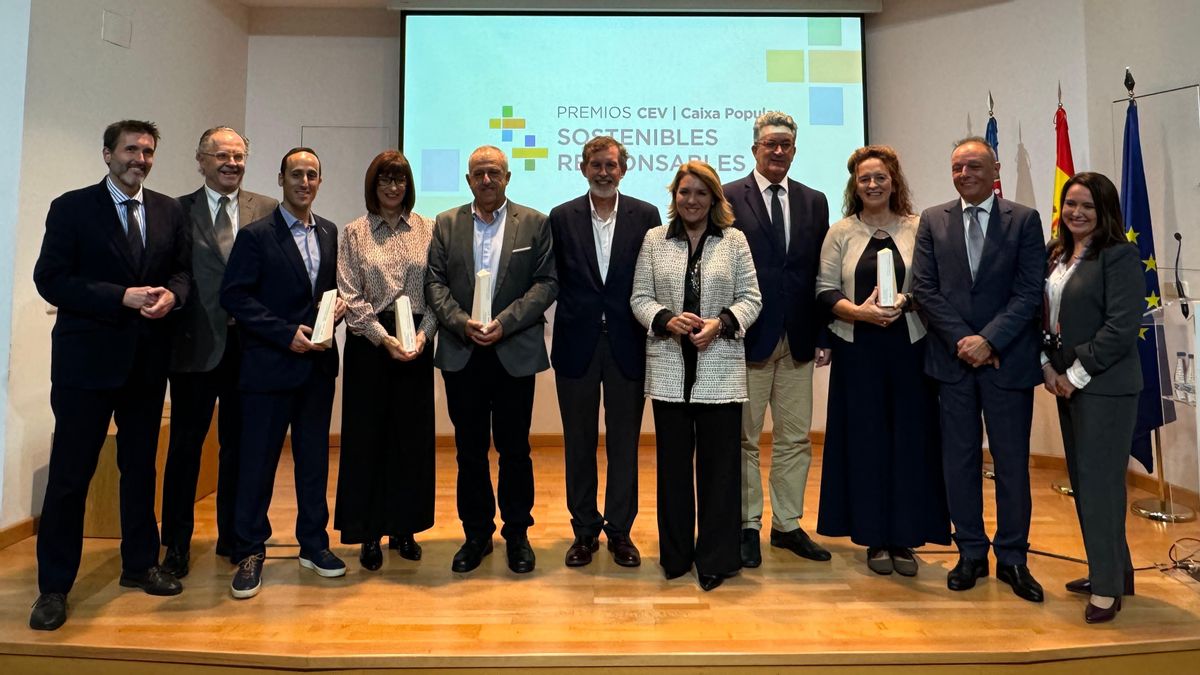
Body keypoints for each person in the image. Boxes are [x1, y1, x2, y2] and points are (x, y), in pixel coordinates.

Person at [30, 120, 191, 631]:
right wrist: (118, 297)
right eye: (130, 150)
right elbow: (50, 279)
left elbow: (182, 272)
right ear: (106, 154)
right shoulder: (72, 207)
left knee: (141, 470)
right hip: (86, 365)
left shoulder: (168, 210)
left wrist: (174, 296)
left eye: (147, 152)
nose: (139, 159)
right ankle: (54, 587)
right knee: (70, 477)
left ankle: (139, 565)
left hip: (146, 363)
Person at [912, 136, 1046, 602]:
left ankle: (1013, 557)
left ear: (994, 171)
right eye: (956, 168)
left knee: (1011, 464)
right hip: (953, 362)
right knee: (960, 460)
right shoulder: (932, 219)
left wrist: (989, 339)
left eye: (973, 166)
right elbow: (924, 289)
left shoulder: (1024, 220)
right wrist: (964, 341)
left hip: (1006, 361)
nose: (964, 174)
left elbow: (1030, 292)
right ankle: (970, 551)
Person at [814, 145, 950, 576]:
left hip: (911, 347)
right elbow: (823, 290)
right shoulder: (840, 232)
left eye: (880, 178)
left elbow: (931, 284)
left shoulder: (919, 227)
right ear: (855, 185)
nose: (872, 185)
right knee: (866, 443)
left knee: (911, 442)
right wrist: (860, 312)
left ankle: (905, 538)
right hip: (859, 350)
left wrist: (906, 301)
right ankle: (874, 537)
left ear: (895, 181)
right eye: (864, 179)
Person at [220, 147, 347, 599]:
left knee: (314, 463)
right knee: (258, 465)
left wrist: (339, 310)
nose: (305, 182)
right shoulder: (256, 236)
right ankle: (251, 550)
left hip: (316, 370)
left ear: (320, 181)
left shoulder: (330, 232)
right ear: (281, 179)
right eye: (297, 174)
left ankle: (314, 544)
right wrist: (282, 332)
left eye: (312, 174)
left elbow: (327, 294)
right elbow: (234, 297)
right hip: (269, 368)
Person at [425, 145, 557, 575]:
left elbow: (545, 283)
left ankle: (517, 533)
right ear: (468, 180)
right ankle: (476, 533)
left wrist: (505, 322)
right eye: (479, 173)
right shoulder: (445, 224)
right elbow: (435, 282)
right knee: (469, 450)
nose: (486, 179)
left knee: (515, 449)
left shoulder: (535, 223)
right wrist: (463, 323)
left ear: (507, 177)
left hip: (513, 350)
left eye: (494, 172)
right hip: (463, 353)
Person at [631, 161, 761, 591]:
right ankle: (675, 556)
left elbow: (751, 299)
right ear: (674, 197)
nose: (691, 200)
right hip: (669, 371)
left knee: (720, 471)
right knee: (671, 470)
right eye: (684, 192)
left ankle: (716, 559)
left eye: (701, 193)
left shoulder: (735, 240)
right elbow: (640, 297)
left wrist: (720, 323)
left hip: (719, 372)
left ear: (714, 199)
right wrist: (666, 319)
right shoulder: (654, 239)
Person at [161, 126, 277, 578]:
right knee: (186, 450)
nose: (232, 163)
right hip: (195, 349)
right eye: (222, 156)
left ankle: (233, 535)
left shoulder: (267, 209)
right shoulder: (174, 211)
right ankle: (175, 544)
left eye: (239, 156)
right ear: (201, 159)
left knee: (240, 450)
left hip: (251, 351)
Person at [723, 111, 831, 568]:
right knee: (744, 439)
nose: (779, 151)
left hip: (800, 338)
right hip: (747, 338)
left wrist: (824, 332)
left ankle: (787, 525)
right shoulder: (727, 197)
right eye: (771, 144)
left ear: (794, 149)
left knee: (794, 438)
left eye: (786, 144)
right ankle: (747, 524)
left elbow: (820, 273)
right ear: (755, 149)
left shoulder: (814, 200)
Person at [548, 136, 658, 568]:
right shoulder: (561, 217)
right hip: (576, 344)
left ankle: (621, 532)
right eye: (596, 164)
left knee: (624, 444)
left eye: (611, 165)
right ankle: (584, 532)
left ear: (623, 169)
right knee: (578, 444)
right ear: (583, 167)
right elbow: (551, 278)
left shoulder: (646, 216)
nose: (604, 172)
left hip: (628, 345)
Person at [1042, 172, 1143, 624]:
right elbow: (1046, 318)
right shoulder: (1056, 254)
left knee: (1100, 486)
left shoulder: (1120, 256)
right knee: (1087, 484)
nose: (1076, 213)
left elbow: (1121, 328)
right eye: (1070, 204)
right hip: (1065, 381)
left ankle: (1106, 590)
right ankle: (1115, 571)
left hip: (1105, 387)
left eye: (1087, 205)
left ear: (1105, 212)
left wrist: (1075, 374)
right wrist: (1048, 368)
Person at [334, 150, 436, 570]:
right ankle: (369, 533)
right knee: (366, 440)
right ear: (372, 186)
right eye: (384, 181)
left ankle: (404, 528)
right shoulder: (354, 232)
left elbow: (437, 290)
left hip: (416, 342)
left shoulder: (428, 229)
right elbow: (349, 294)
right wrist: (383, 338)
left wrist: (424, 334)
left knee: (410, 441)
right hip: (370, 345)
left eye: (400, 180)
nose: (393, 188)